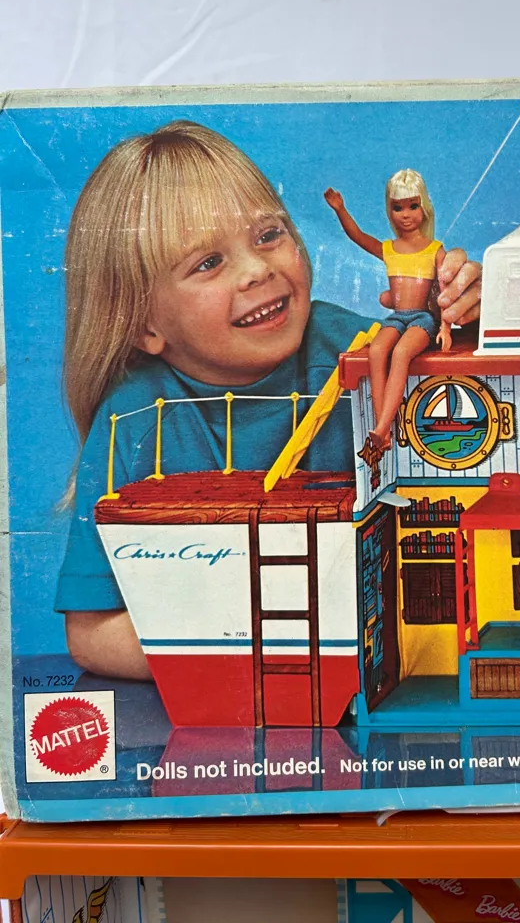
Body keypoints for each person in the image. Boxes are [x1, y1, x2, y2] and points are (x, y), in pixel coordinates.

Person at [56, 121, 482, 681]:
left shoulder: (361, 350)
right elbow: (94, 633)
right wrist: (272, 656)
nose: (258, 270)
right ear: (143, 325)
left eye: (268, 235)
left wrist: (473, 318)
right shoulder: (133, 418)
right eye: (207, 263)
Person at [325, 170, 457, 452]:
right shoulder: (389, 249)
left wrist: (445, 327)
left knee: (401, 353)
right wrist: (340, 210)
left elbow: (445, 293)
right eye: (398, 208)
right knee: (376, 351)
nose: (405, 215)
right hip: (397, 317)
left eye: (413, 206)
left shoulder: (435, 250)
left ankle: (383, 427)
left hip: (422, 318)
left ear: (424, 208)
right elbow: (357, 236)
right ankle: (381, 430)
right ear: (390, 210)